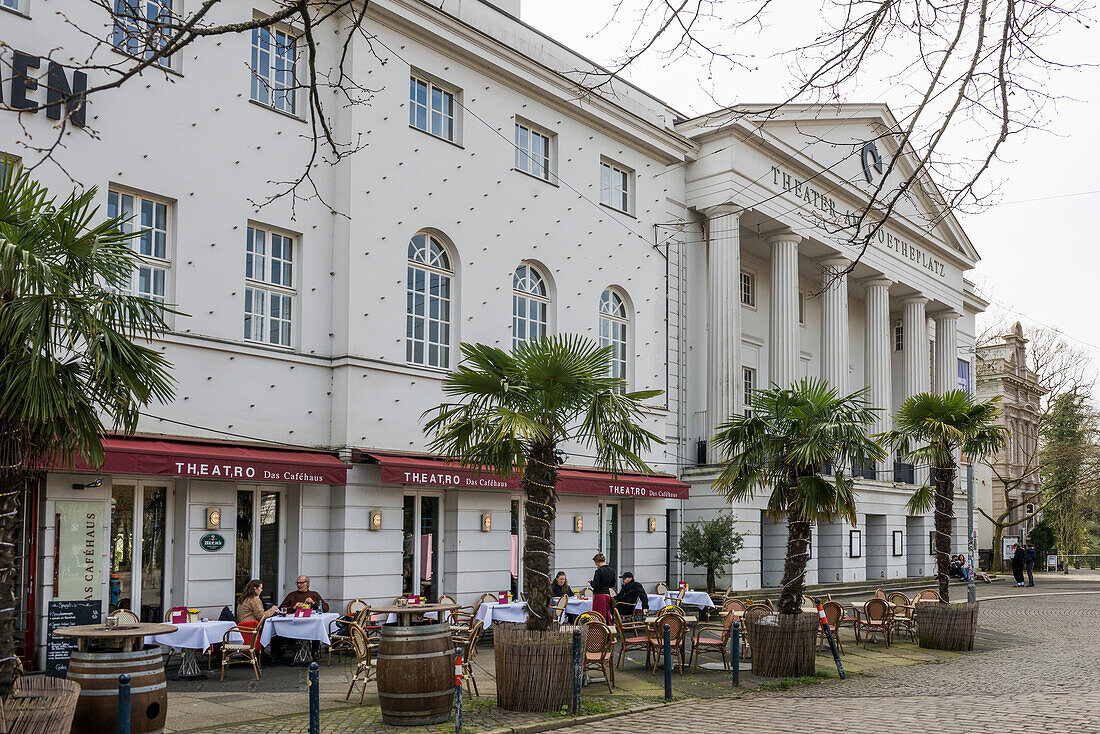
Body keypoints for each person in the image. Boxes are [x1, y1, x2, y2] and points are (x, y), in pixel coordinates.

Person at [590, 553, 615, 621]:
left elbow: (595, 585)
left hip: (599, 595)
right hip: (607, 594)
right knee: (607, 613)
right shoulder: (611, 570)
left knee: (598, 614)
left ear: (597, 562)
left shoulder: (599, 571)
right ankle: (608, 628)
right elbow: (612, 584)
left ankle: (599, 629)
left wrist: (591, 582)